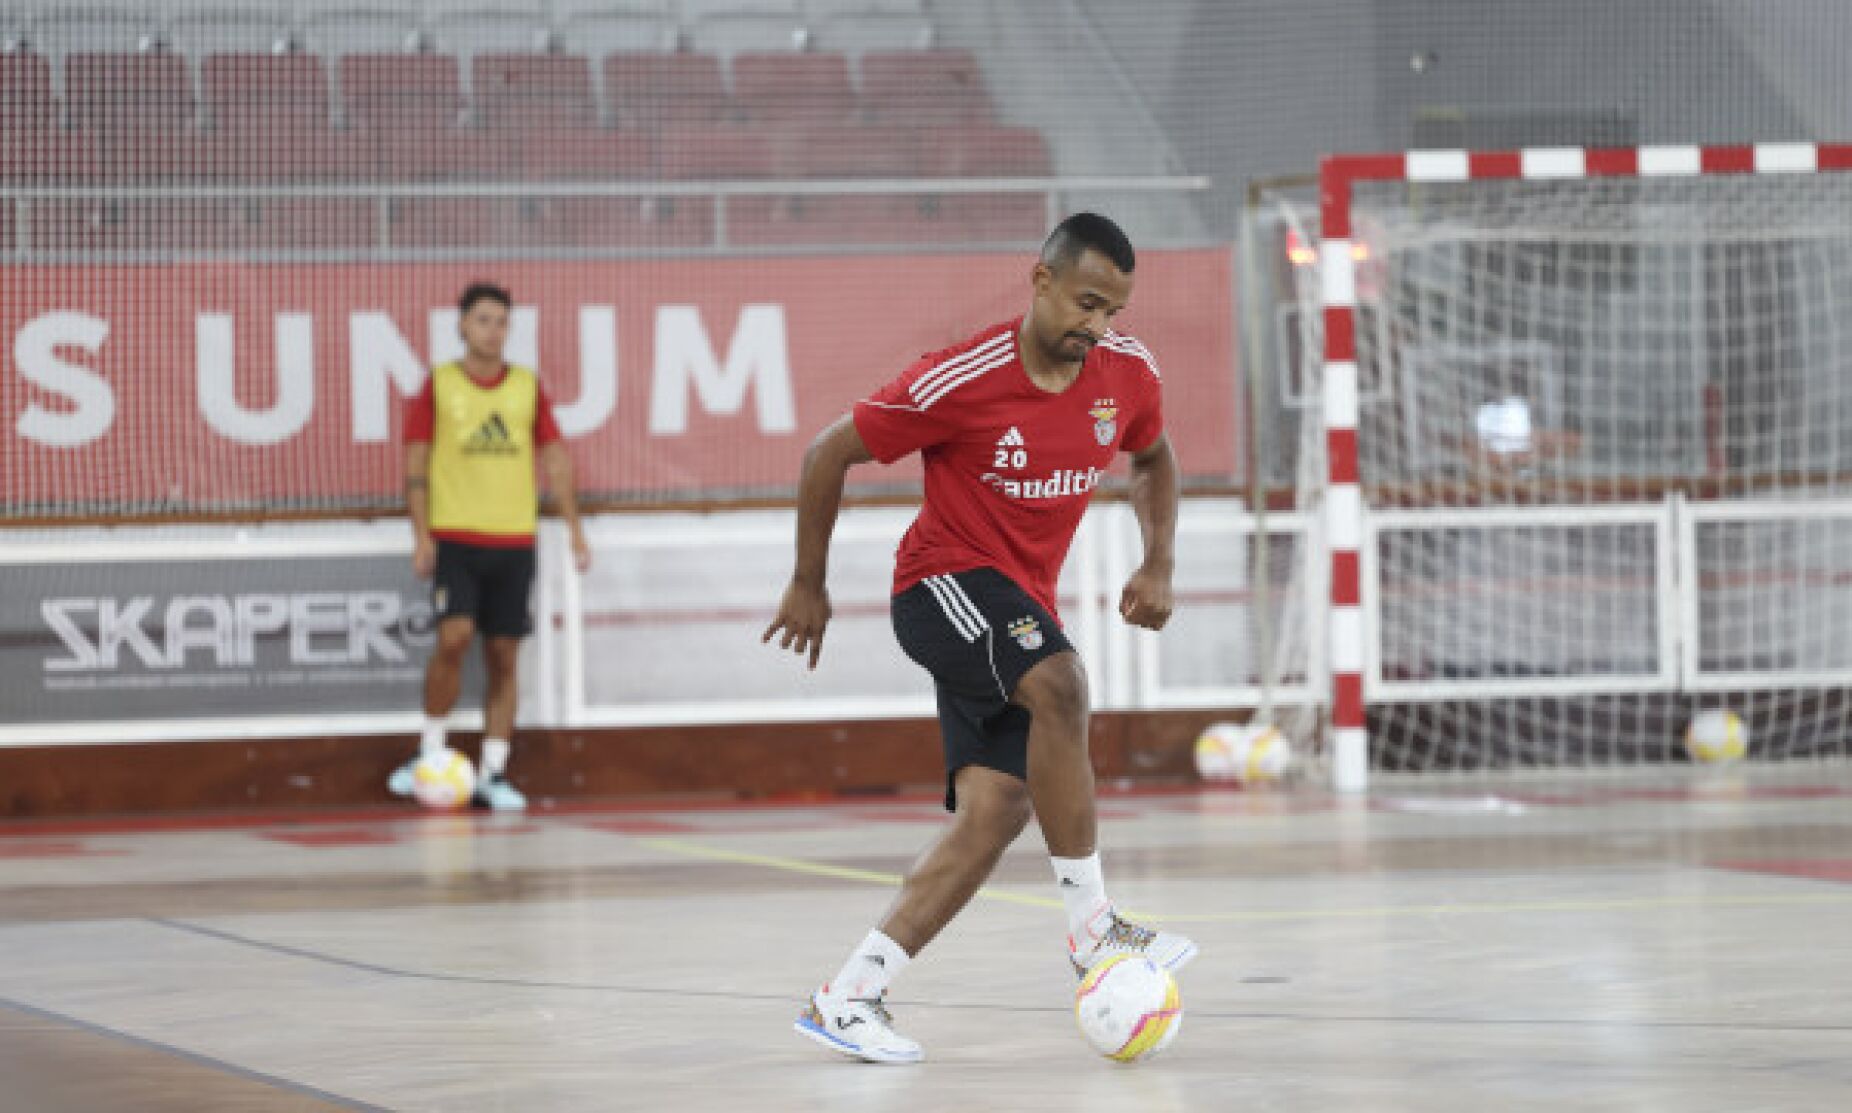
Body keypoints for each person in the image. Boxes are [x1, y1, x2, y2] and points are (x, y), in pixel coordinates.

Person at [763, 213, 1193, 1064]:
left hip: (1014, 603)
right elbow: (826, 453)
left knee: (997, 809)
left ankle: (847, 995)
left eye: (1113, 310)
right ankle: (1094, 933)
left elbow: (1153, 457)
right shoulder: (962, 377)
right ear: (1039, 281)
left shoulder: (1125, 374)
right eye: (1085, 302)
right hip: (939, 587)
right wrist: (809, 581)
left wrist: (1160, 562)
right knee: (1063, 684)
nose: (1098, 326)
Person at [391, 282, 591, 811]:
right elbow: (415, 463)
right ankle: (428, 752)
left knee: (504, 654)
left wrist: (574, 529)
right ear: (461, 325)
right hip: (456, 537)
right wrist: (421, 535)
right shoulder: (439, 385)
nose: (493, 330)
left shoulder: (526, 386)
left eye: (501, 321)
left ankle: (493, 772)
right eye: (482, 320)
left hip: (513, 540)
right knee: (454, 638)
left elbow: (554, 457)